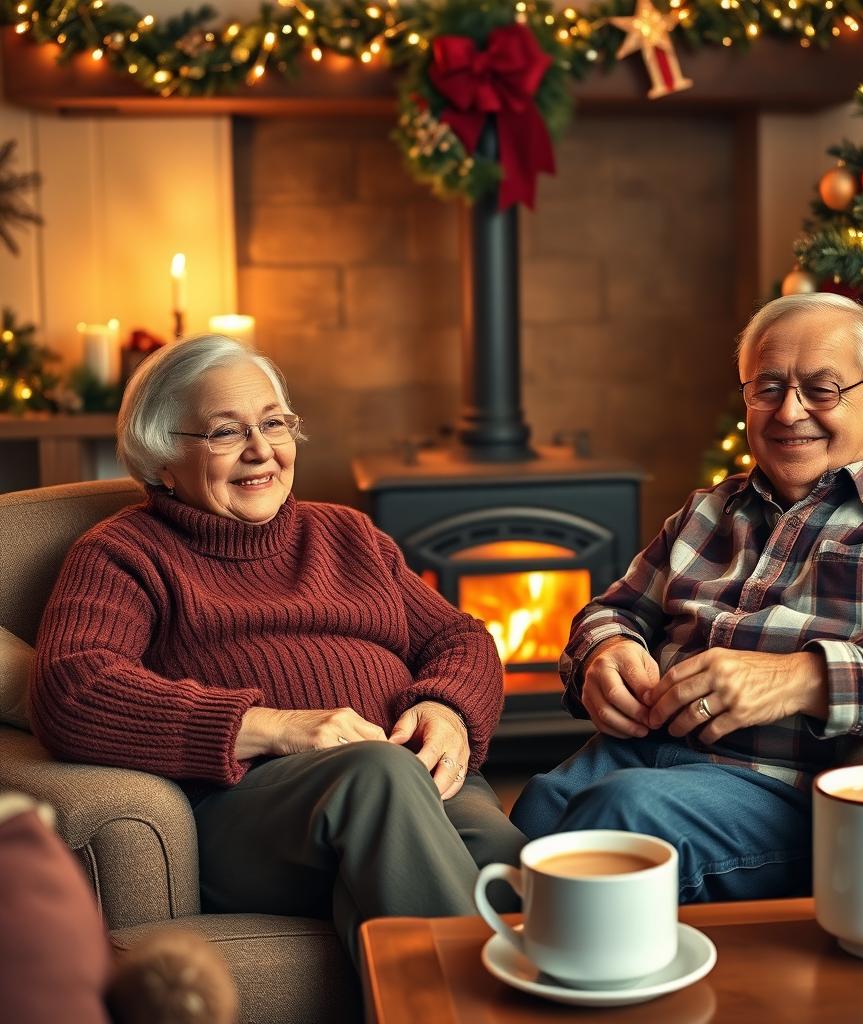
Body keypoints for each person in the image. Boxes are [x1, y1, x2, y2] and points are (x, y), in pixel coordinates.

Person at [31, 334, 526, 986]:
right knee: (375, 780)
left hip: (408, 781)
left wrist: (447, 707)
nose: (261, 450)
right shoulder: (123, 553)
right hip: (249, 814)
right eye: (226, 432)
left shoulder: (347, 534)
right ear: (162, 461)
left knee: (499, 854)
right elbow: (72, 687)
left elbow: (460, 637)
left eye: (273, 423)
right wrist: (274, 726)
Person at [510, 292, 863, 902]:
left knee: (625, 820)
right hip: (635, 755)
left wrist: (798, 678)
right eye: (768, 388)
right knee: (531, 816)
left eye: (822, 390)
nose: (788, 412)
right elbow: (614, 609)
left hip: (795, 787)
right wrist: (604, 650)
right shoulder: (706, 510)